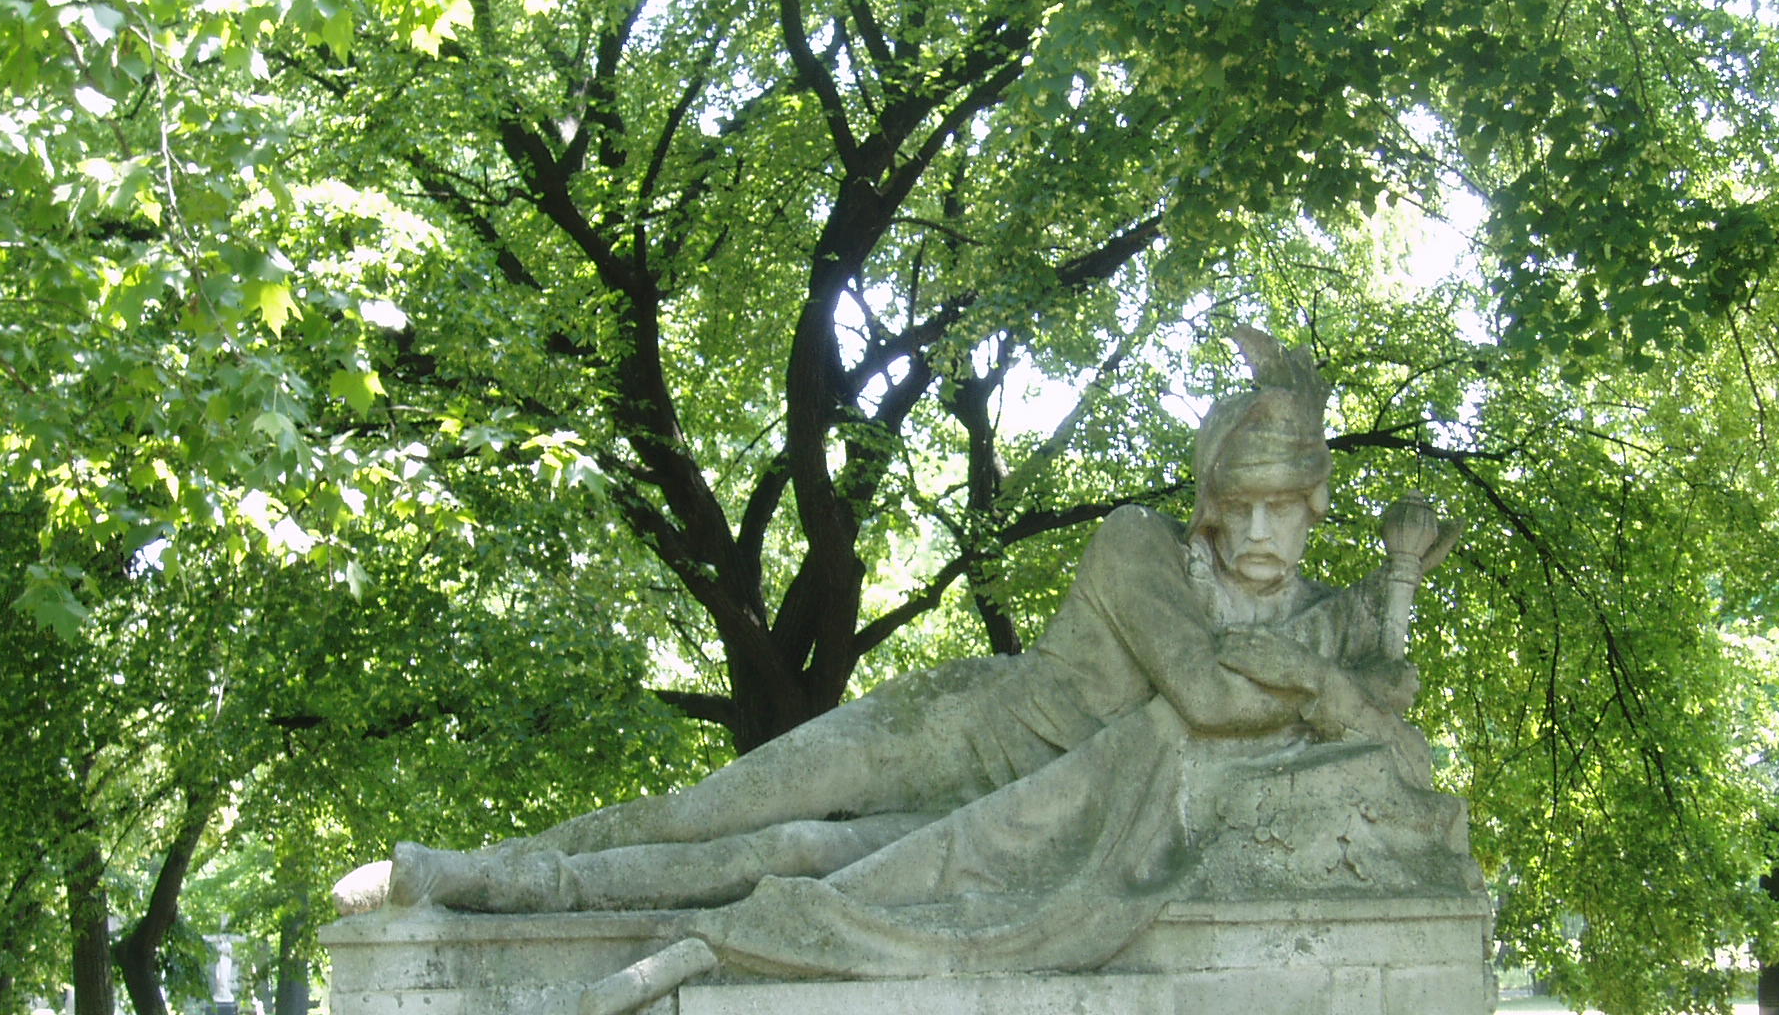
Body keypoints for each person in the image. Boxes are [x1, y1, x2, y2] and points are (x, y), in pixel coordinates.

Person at [340, 329, 1452, 935]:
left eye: (1283, 510)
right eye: (1239, 506)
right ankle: (481, 867)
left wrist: (1390, 589)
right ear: (1206, 502)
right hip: (959, 734)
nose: (1258, 533)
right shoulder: (1137, 546)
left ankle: (516, 892)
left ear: (1315, 510)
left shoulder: (1297, 616)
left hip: (1020, 822)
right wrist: (1322, 682)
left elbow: (1382, 683)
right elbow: (1213, 698)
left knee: (780, 857)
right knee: (712, 807)